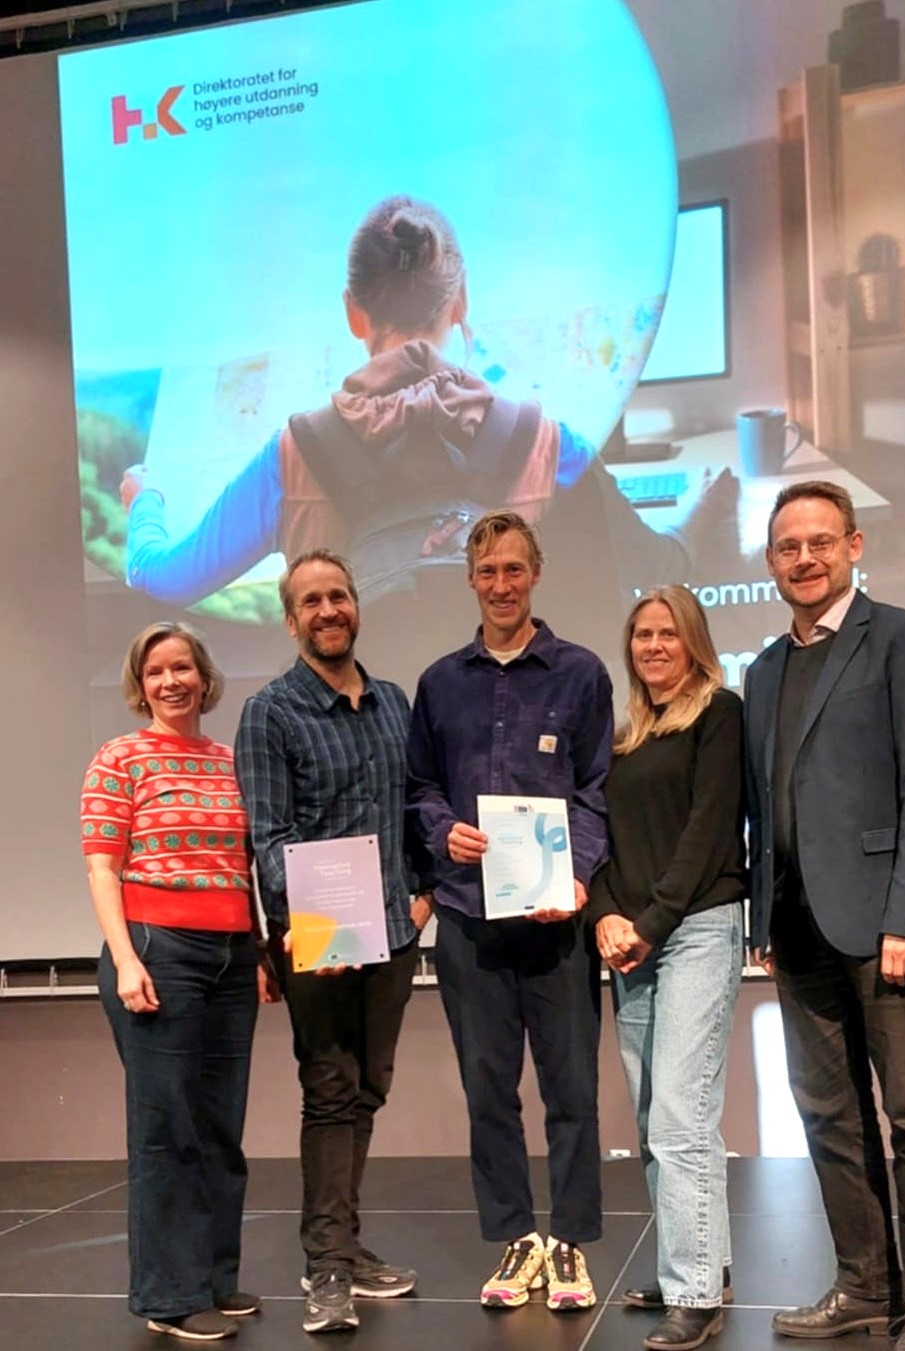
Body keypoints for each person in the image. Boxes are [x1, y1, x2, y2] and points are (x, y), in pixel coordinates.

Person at [118, 195, 739, 674]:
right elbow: (658, 563)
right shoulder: (546, 442)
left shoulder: (294, 454)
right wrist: (707, 504)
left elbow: (163, 575)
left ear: (352, 311)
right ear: (460, 300)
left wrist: (145, 498)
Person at [743, 481, 905, 1351]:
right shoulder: (764, 669)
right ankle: (866, 1285)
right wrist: (762, 918)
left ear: (854, 546)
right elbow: (767, 803)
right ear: (770, 561)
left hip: (888, 927)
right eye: (788, 546)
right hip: (798, 930)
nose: (804, 558)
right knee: (830, 1118)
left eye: (820, 542)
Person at [406, 509, 612, 1314]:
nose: (501, 584)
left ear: (536, 574)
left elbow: (595, 789)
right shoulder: (439, 682)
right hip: (466, 919)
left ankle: (570, 1245)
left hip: (555, 923)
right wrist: (438, 828)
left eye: (514, 569)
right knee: (488, 1088)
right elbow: (421, 787)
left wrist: (580, 873)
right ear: (469, 578)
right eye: (487, 571)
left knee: (572, 1089)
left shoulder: (582, 673)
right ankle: (516, 1237)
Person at [233, 547, 431, 1335]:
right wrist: (322, 919)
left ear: (356, 604)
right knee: (330, 1091)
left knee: (370, 1088)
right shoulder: (271, 711)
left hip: (392, 932)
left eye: (338, 595)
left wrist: (421, 899)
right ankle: (325, 1270)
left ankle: (345, 1247)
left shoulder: (392, 701)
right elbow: (268, 839)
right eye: (310, 600)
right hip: (318, 940)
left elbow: (415, 810)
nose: (328, 610)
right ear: (291, 619)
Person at [81, 622, 275, 1343]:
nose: (172, 681)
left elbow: (244, 867)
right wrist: (126, 958)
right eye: (157, 670)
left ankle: (215, 1277)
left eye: (183, 667)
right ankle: (168, 1297)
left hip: (229, 955)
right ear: (141, 683)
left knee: (220, 1125)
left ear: (204, 676)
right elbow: (103, 866)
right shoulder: (120, 757)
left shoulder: (230, 761)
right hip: (157, 951)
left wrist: (256, 951)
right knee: (168, 1129)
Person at [589, 587, 746, 1351]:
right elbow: (609, 848)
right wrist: (607, 917)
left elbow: (709, 834)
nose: (653, 645)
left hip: (696, 929)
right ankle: (701, 1265)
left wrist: (649, 925)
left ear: (693, 642)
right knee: (659, 1117)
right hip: (635, 943)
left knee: (682, 1117)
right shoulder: (627, 739)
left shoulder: (721, 714)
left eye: (668, 634)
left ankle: (692, 1292)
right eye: (642, 634)